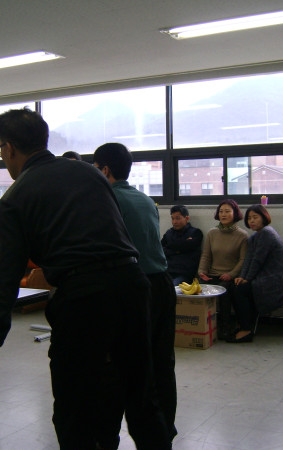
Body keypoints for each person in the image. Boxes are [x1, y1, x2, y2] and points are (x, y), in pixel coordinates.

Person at [0, 109, 169, 449]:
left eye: (0, 149)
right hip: (133, 286)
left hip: (82, 299)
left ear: (9, 148)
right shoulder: (89, 173)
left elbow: (4, 280)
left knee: (74, 412)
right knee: (142, 400)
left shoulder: (16, 197)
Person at [93, 142, 177, 443]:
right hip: (162, 285)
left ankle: (107, 438)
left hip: (131, 289)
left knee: (117, 369)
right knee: (161, 363)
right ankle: (164, 431)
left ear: (104, 170)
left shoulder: (105, 200)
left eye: (95, 169)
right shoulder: (146, 200)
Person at [229, 205, 283, 343]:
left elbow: (258, 260)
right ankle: (243, 325)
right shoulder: (255, 237)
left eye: (255, 217)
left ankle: (246, 329)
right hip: (263, 277)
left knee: (240, 290)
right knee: (235, 286)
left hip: (275, 280)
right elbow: (248, 260)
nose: (252, 221)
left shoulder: (267, 233)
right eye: (249, 218)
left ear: (264, 217)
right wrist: (242, 277)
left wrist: (247, 279)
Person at [198, 199, 248, 340]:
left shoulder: (242, 235)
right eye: (221, 211)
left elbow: (243, 260)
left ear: (235, 213)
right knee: (199, 288)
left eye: (227, 211)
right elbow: (206, 255)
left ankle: (225, 327)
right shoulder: (212, 233)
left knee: (224, 292)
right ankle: (202, 326)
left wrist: (231, 274)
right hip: (212, 274)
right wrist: (202, 271)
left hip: (230, 276)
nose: (223, 214)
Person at [161, 205, 203, 286]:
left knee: (172, 287)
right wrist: (180, 249)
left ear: (187, 218)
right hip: (167, 271)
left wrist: (170, 248)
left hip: (184, 273)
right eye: (172, 218)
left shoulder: (195, 233)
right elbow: (160, 249)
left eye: (177, 218)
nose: (174, 222)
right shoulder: (169, 233)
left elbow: (190, 248)